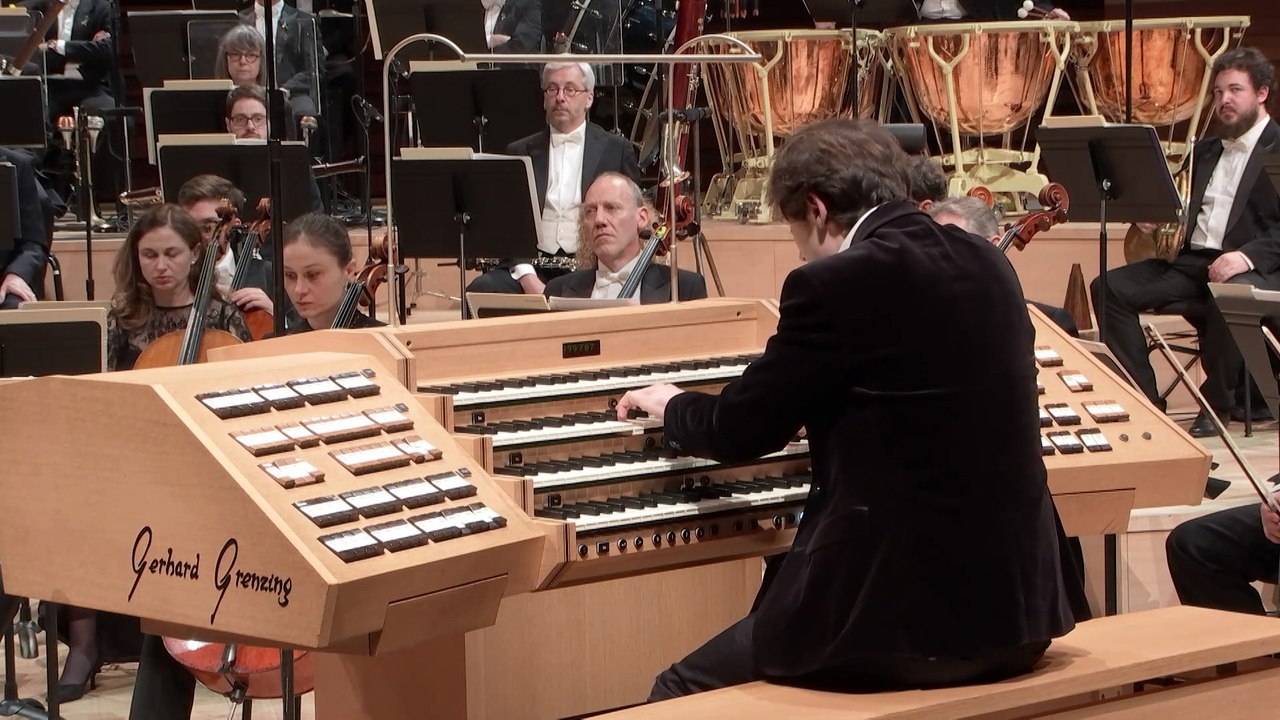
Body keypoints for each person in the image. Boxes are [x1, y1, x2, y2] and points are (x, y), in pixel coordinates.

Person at [616, 118, 1080, 700]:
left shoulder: (835, 283)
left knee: (678, 690)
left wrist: (673, 404)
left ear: (814, 208)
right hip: (1020, 611)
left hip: (899, 624)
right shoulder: (987, 262)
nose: (800, 252)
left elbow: (740, 429)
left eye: (794, 233)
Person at [126, 215, 379, 720]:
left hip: (348, 515)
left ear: (350, 271)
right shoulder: (267, 348)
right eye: (288, 277)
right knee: (172, 590)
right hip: (272, 508)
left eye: (314, 276)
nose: (299, 291)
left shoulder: (377, 346)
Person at [55, 206, 252, 705]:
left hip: (211, 464)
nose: (160, 265)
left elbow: (244, 395)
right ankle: (84, 644)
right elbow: (107, 396)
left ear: (194, 255)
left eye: (171, 253)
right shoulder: (122, 318)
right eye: (148, 254)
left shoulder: (225, 315)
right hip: (138, 455)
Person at [1091, 47, 1280, 436]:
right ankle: (1145, 401)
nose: (1224, 100)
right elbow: (1179, 206)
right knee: (1109, 288)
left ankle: (1216, 407)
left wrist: (1246, 256)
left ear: (1261, 94)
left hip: (1259, 270)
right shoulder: (1207, 148)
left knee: (1231, 292)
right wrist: (1154, 216)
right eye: (1218, 92)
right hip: (1195, 263)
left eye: (1235, 90)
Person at [467, 61, 641, 296]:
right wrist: (528, 277)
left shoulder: (617, 149)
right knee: (482, 289)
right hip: (532, 267)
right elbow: (507, 223)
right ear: (544, 98)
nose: (560, 97)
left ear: (589, 98)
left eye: (570, 89)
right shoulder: (519, 151)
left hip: (590, 269)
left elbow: (632, 218)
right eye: (552, 89)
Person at [927, 196, 1079, 336]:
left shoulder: (1053, 323)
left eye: (954, 244)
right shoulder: (920, 317)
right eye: (934, 246)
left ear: (991, 247)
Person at [544, 172, 706, 303]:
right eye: (590, 211)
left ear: (642, 218)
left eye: (611, 208)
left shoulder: (684, 288)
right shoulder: (557, 291)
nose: (599, 220)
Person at [175, 173, 274, 317]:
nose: (195, 235)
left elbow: (302, 332)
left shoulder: (269, 274)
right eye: (188, 225)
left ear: (234, 226)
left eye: (207, 226)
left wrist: (274, 315)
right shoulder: (174, 282)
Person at [224, 85, 324, 213]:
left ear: (270, 123)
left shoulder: (294, 163)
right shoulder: (215, 165)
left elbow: (317, 218)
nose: (250, 127)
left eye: (258, 119)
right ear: (228, 125)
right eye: (240, 119)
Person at [240, 0, 321, 118]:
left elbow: (314, 69)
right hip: (246, 91)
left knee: (305, 111)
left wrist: (285, 90)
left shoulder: (304, 21)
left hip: (292, 93)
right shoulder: (238, 20)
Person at [0, 148, 55, 309]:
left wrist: (16, 275)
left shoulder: (18, 165)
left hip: (2, 278)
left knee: (15, 306)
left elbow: (32, 244)